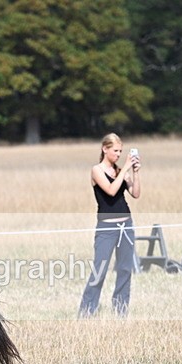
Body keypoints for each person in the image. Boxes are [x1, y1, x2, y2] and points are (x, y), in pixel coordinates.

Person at [78, 133, 141, 317]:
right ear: (105, 149)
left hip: (126, 225)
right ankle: (86, 313)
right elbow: (111, 191)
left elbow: (136, 194)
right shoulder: (96, 170)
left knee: (124, 270)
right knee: (100, 270)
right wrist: (125, 170)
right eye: (115, 151)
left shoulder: (122, 170)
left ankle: (120, 311)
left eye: (121, 151)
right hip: (106, 228)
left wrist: (135, 172)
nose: (119, 154)